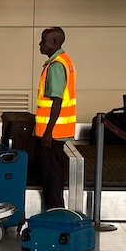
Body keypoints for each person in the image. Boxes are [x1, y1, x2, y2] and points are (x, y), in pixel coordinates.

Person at [33, 26, 77, 211]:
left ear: (55, 42)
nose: (40, 44)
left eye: (43, 40)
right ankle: (55, 211)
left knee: (51, 175)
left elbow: (57, 102)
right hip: (57, 131)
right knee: (53, 173)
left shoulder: (57, 66)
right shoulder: (63, 62)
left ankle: (55, 211)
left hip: (53, 132)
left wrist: (48, 132)